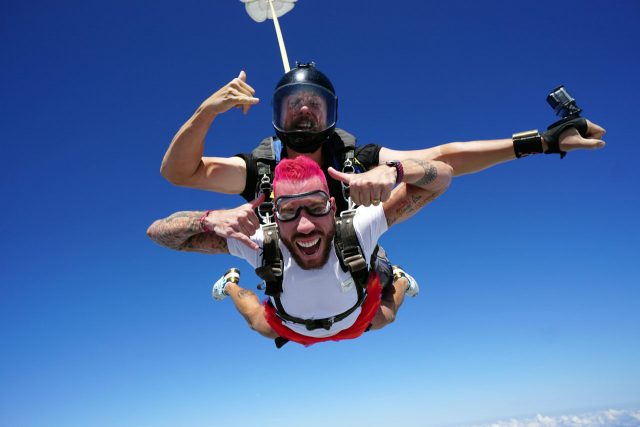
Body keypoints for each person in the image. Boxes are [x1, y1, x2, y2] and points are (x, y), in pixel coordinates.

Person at [157, 62, 606, 295]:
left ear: (332, 113)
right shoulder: (261, 170)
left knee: (381, 311)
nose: (305, 109)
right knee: (267, 318)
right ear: (277, 115)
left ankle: (396, 284)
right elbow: (180, 172)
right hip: (291, 265)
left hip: (355, 254)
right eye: (293, 102)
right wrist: (206, 112)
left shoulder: (358, 157)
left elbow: (443, 158)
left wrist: (538, 143)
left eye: (315, 102)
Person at [147, 155, 453, 346]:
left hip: (352, 316)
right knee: (258, 323)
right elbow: (159, 234)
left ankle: (399, 278)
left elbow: (443, 176)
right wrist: (208, 219)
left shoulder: (359, 225)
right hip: (295, 325)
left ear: (333, 206)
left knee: (386, 316)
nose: (305, 225)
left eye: (316, 207)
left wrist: (396, 171)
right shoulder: (258, 240)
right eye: (289, 210)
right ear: (274, 214)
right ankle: (229, 284)